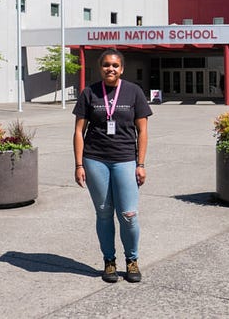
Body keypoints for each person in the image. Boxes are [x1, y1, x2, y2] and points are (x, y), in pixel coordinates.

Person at [72, 48, 152, 283]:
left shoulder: (133, 92)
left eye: (115, 65)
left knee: (128, 214)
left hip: (126, 159)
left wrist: (141, 163)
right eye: (106, 65)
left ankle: (132, 260)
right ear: (101, 68)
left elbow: (143, 130)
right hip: (95, 159)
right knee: (104, 213)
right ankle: (109, 261)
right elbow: (79, 131)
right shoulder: (89, 93)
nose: (111, 69)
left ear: (122, 69)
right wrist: (79, 164)